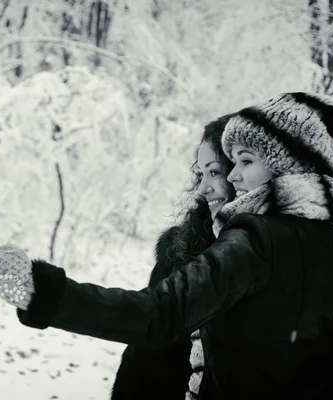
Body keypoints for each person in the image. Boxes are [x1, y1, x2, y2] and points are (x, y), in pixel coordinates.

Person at [0, 92, 333, 399]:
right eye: (206, 172)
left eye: (241, 163)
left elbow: (156, 315)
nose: (226, 180)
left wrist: (38, 290)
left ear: (285, 168)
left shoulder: (256, 241)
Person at [111, 114, 235, 400]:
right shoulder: (180, 253)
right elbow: (144, 358)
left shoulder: (304, 260)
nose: (203, 187)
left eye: (215, 172)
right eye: (201, 173)